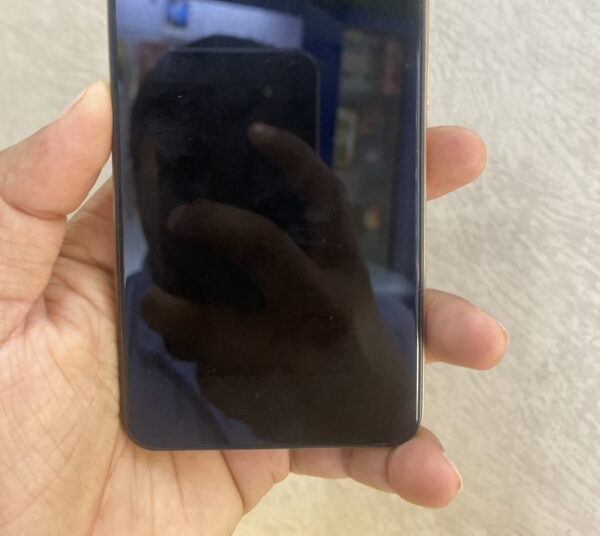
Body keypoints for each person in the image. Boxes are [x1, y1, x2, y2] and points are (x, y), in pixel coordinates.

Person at [0, 81, 508, 535]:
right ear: (133, 180)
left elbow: (387, 418)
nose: (221, 195)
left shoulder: (382, 327)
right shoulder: (95, 346)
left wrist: (376, 396)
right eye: (190, 165)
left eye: (252, 169)